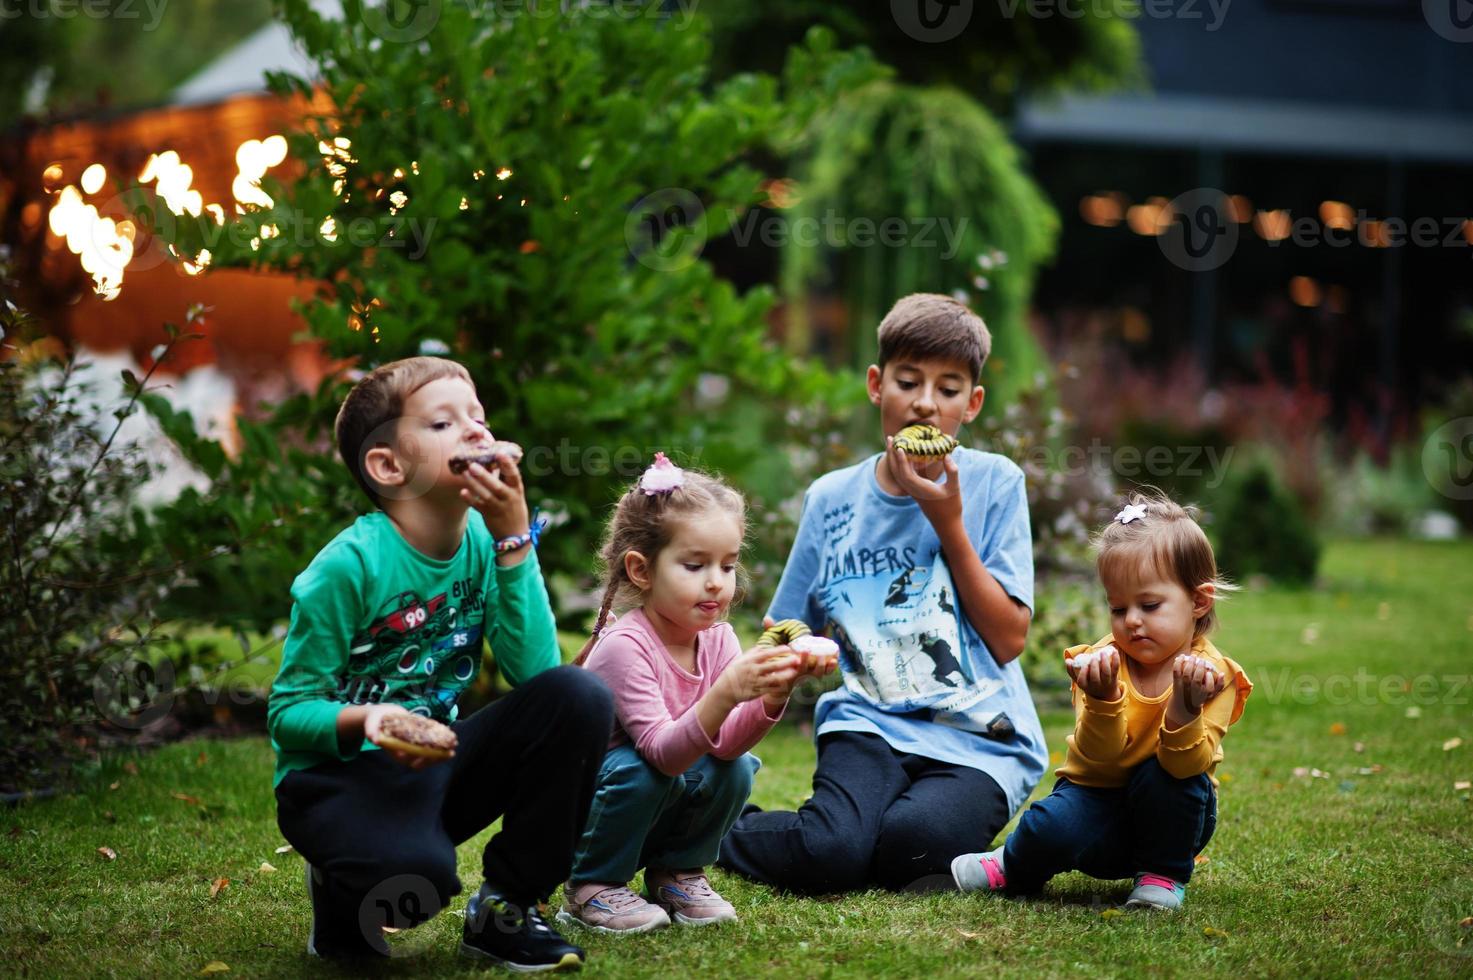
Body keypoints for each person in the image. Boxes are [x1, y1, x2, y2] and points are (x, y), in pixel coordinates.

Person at [267, 356, 613, 969]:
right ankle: (342, 891)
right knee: (413, 892)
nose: (477, 431)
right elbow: (288, 714)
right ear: (388, 465)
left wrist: (512, 538)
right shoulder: (348, 567)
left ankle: (506, 910)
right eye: (444, 423)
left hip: (433, 762)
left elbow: (536, 676)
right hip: (337, 782)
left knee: (579, 695)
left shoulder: (483, 540)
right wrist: (367, 720)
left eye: (478, 416)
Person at [718, 293, 1047, 893]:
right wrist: (799, 653)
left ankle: (872, 839)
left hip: (979, 741)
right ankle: (708, 825)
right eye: (907, 381)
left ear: (972, 403)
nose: (925, 402)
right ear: (876, 385)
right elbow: (786, 624)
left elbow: (1008, 638)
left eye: (948, 389)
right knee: (831, 854)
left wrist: (948, 521)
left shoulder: (995, 483)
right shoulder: (831, 498)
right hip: (866, 723)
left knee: (911, 846)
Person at [559, 455, 832, 933]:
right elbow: (662, 755)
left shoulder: (718, 637)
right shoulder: (625, 647)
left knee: (735, 767)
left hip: (656, 799)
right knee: (638, 771)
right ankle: (591, 886)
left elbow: (725, 744)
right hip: (592, 811)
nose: (716, 581)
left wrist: (773, 694)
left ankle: (677, 871)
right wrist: (726, 692)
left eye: (727, 566)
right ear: (641, 570)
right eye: (694, 564)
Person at [952, 491, 1251, 911]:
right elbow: (1099, 759)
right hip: (1096, 799)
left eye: (1149, 605)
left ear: (1198, 601)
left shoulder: (1213, 676)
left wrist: (1185, 709)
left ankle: (1162, 877)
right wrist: (1104, 697)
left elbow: (1187, 768)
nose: (1131, 620)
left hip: (1172, 823)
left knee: (1167, 781)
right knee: (1050, 825)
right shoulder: (1099, 663)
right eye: (1117, 607)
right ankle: (1015, 864)